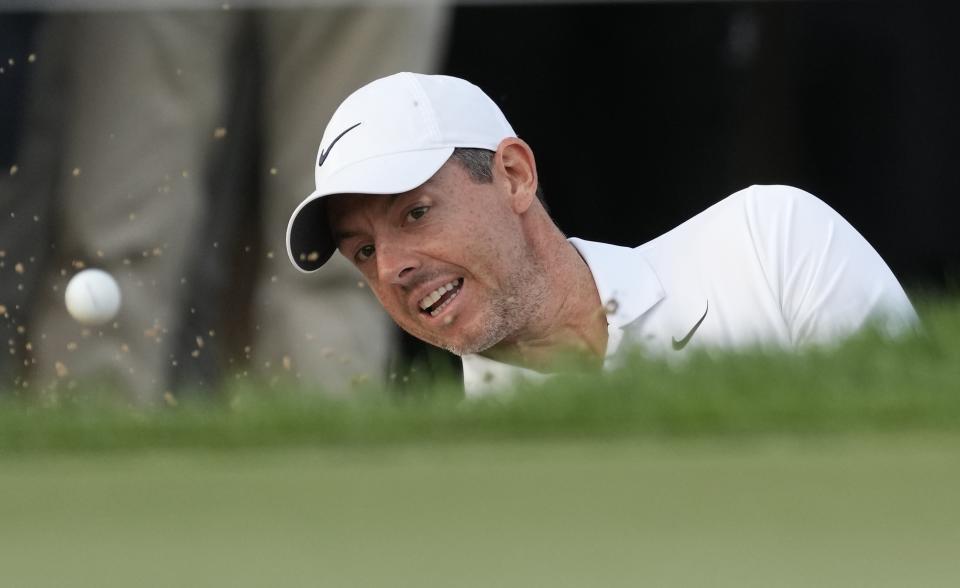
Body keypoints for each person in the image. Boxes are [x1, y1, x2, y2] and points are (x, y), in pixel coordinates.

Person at [286, 73, 918, 396]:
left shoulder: (769, 239)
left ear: (513, 175)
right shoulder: (479, 483)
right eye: (363, 251)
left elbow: (921, 456)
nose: (391, 266)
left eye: (415, 212)